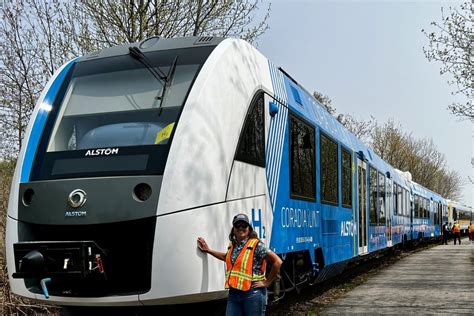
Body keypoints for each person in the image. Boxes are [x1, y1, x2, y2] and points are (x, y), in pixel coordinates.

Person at [197, 213, 282, 316]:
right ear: (233, 229)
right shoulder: (232, 245)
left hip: (253, 294)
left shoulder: (256, 245)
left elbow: (278, 261)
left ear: (249, 229)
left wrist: (267, 282)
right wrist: (208, 250)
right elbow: (226, 257)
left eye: (244, 225)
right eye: (237, 225)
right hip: (234, 294)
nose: (240, 228)